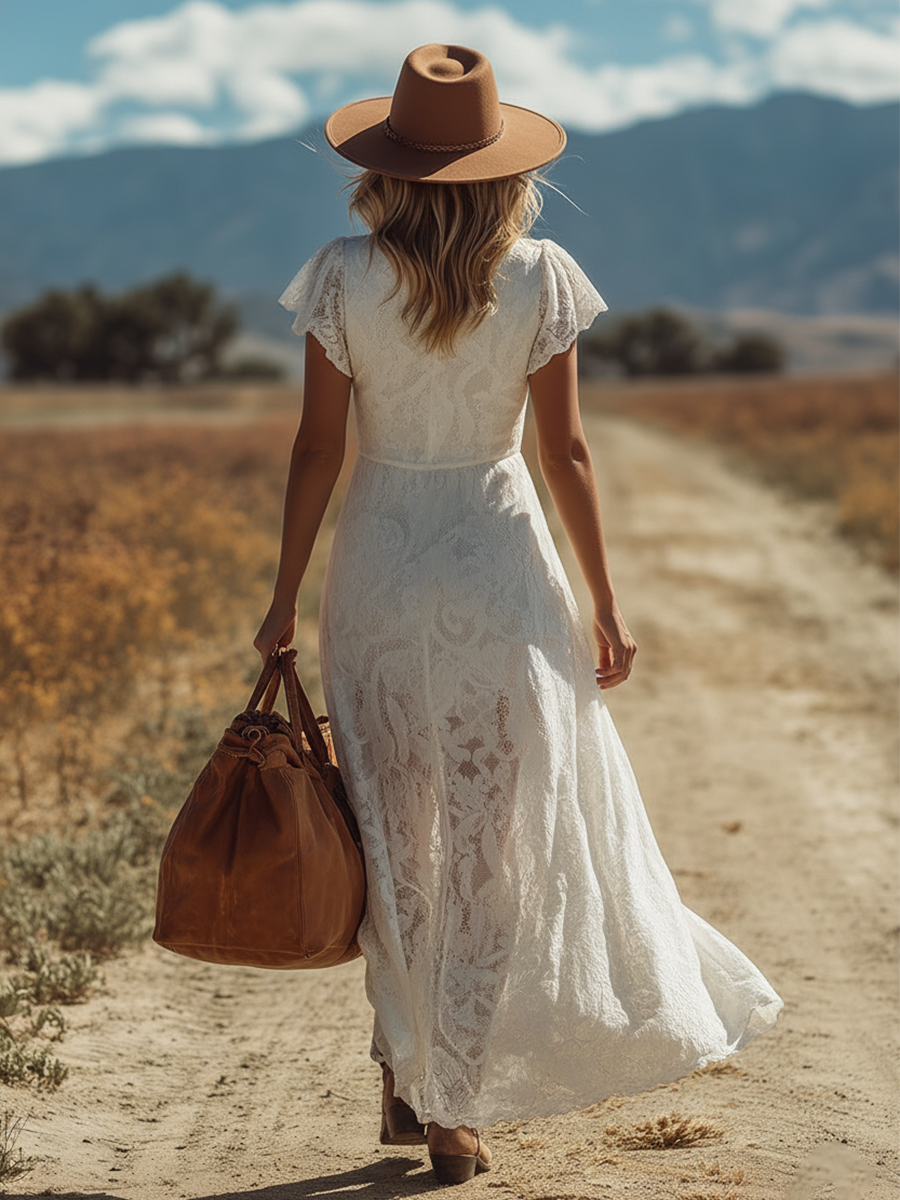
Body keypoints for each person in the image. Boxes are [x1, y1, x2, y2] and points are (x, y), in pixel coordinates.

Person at [254, 44, 782, 1186]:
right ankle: (456, 1103)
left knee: (396, 835)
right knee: (493, 848)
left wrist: (281, 599)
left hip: (383, 570)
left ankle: (410, 1060)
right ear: (504, 170)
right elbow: (568, 452)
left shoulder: (343, 274)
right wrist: (605, 600)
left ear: (388, 165)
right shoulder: (543, 275)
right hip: (502, 566)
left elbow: (314, 450)